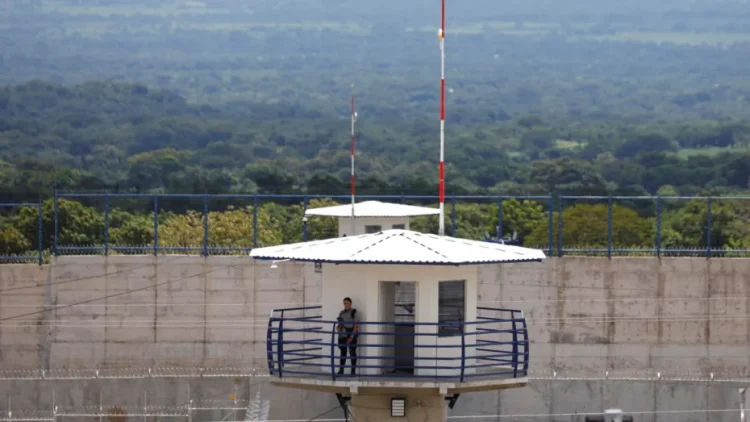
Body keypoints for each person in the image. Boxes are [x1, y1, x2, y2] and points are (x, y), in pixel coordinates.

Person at [336, 297, 359, 375]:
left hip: (351, 334)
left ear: (350, 303)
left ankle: (353, 372)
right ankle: (341, 370)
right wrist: (338, 328)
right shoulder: (341, 313)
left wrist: (352, 337)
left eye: (347, 303)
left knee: (352, 352)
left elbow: (356, 326)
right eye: (345, 303)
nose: (346, 304)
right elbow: (339, 325)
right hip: (342, 335)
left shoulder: (354, 312)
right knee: (343, 352)